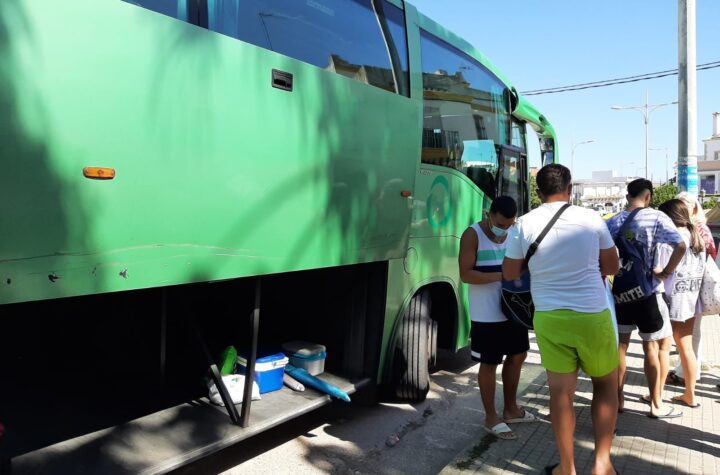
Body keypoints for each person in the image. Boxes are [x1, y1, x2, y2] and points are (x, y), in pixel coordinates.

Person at [503, 164, 619, 475]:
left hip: (550, 317)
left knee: (560, 394)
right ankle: (601, 464)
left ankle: (566, 469)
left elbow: (511, 273)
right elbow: (611, 266)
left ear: (537, 192)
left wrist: (539, 267)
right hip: (592, 314)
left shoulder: (523, 224)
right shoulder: (591, 218)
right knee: (606, 386)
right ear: (570, 189)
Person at [606, 179, 686, 419]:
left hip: (620, 292)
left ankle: (618, 400)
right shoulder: (657, 218)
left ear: (628, 195)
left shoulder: (614, 221)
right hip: (647, 292)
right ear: (648, 195)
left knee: (620, 347)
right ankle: (655, 403)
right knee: (650, 347)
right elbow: (680, 246)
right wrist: (666, 272)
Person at [458, 196, 535, 441]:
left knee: (518, 355)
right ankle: (491, 418)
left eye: (508, 225)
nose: (503, 229)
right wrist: (501, 277)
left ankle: (511, 409)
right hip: (486, 312)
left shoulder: (515, 232)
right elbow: (466, 274)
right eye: (500, 224)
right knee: (490, 362)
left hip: (514, 309)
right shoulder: (472, 235)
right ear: (489, 215)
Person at [657, 199, 705, 408]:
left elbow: (660, 271)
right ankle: (690, 394)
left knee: (663, 348)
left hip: (671, 299)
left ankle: (656, 395)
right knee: (686, 347)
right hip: (692, 299)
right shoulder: (697, 238)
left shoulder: (670, 239)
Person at [667, 192, 717, 386]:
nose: (684, 205)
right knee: (690, 335)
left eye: (687, 202)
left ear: (695, 206)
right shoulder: (687, 227)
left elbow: (709, 254)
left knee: (690, 335)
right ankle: (687, 374)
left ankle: (686, 375)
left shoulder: (699, 228)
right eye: (680, 202)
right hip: (691, 287)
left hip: (693, 288)